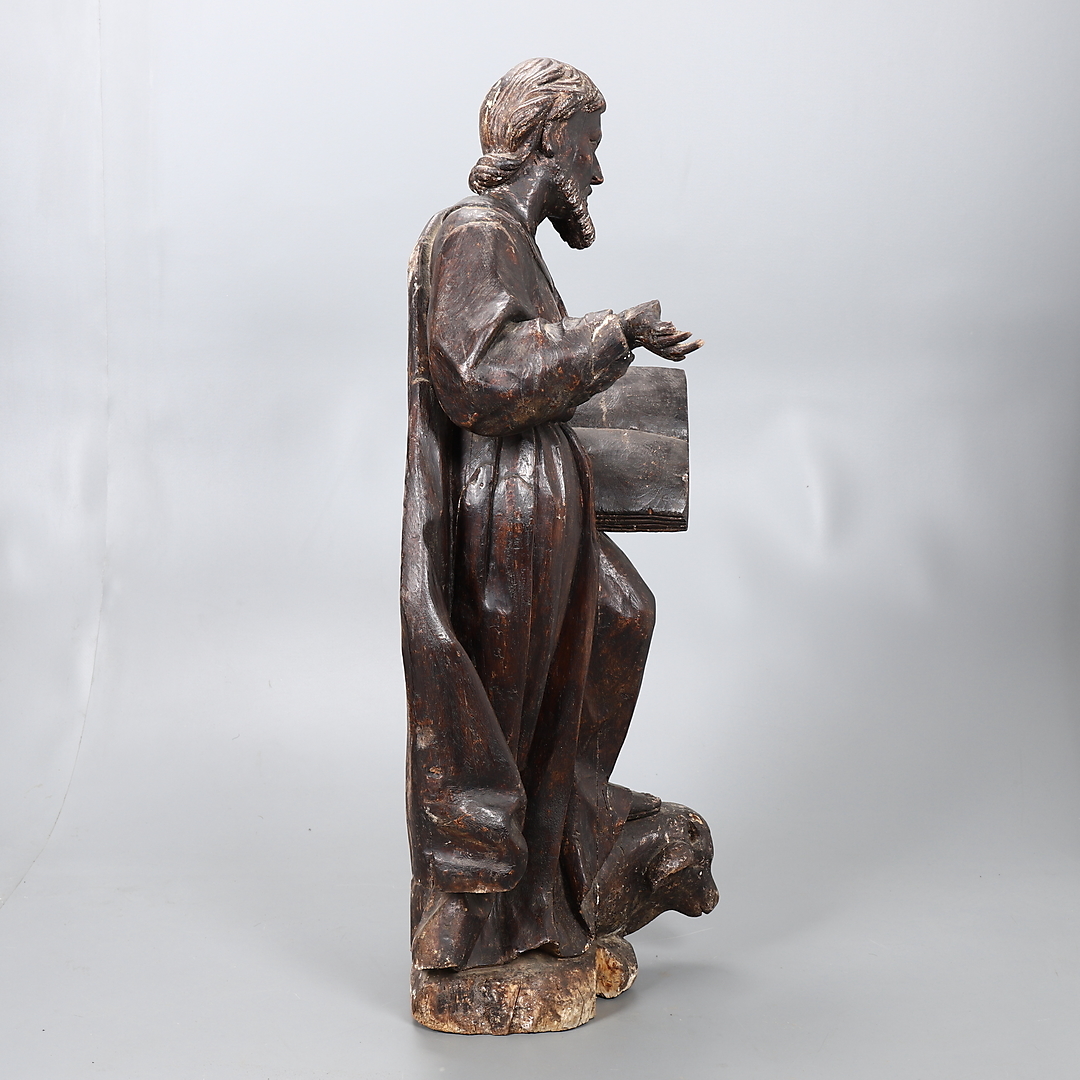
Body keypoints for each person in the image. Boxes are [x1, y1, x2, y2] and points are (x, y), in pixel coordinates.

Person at [401, 58, 703, 971]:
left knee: (623, 617)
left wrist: (612, 360)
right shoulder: (475, 232)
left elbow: (528, 366)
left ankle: (562, 856)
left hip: (541, 500)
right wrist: (613, 332)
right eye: (589, 145)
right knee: (511, 703)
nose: (596, 171)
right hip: (509, 509)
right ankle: (482, 920)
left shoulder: (512, 245)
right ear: (545, 138)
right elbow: (481, 372)